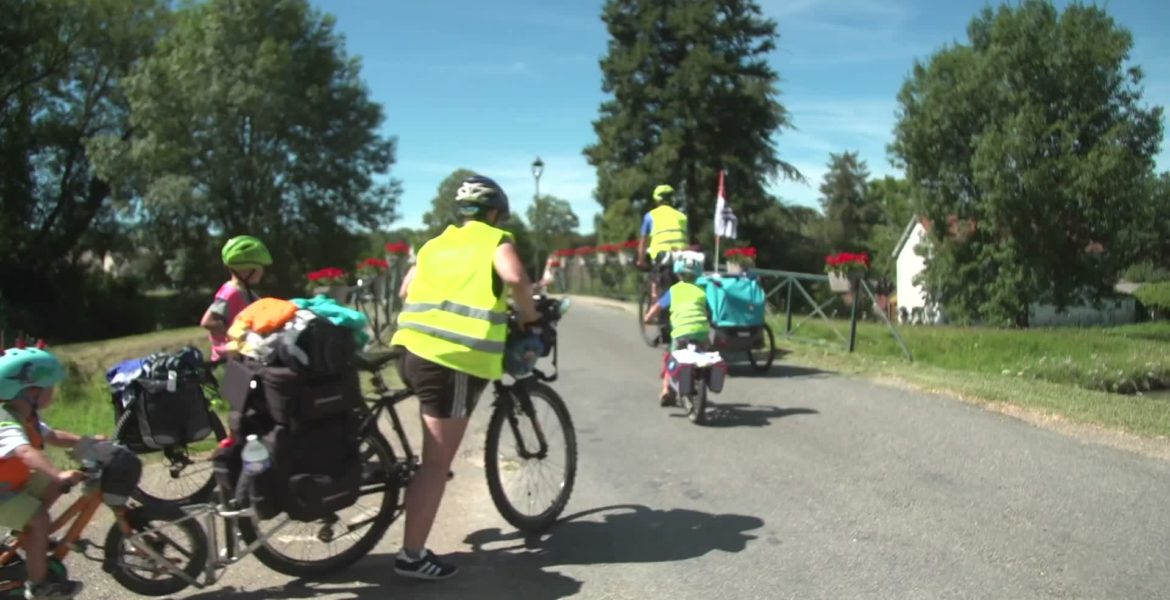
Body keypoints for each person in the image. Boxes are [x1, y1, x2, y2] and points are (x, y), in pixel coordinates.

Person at [390, 174, 539, 581]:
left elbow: (406, 291)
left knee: (432, 454)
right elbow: (514, 280)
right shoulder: (496, 240)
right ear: (495, 212)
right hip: (451, 360)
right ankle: (411, 557)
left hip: (411, 349)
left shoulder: (434, 244)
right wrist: (530, 317)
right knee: (436, 464)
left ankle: (420, 485)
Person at [0, 344, 92, 600]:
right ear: (30, 390)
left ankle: (28, 536)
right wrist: (58, 473)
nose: (53, 392)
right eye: (49, 387)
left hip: (11, 485)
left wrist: (87, 441)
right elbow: (25, 452)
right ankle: (39, 587)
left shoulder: (25, 414)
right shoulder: (5, 420)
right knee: (40, 518)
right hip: (1, 495)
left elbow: (53, 436)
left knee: (50, 484)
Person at [642, 251, 710, 406]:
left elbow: (657, 307)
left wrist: (647, 318)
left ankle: (667, 390)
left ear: (678, 275)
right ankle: (703, 373)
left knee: (670, 358)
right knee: (705, 351)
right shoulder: (702, 291)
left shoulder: (674, 291)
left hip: (680, 333)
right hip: (701, 332)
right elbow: (709, 311)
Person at [200, 235, 271, 362]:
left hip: (244, 356)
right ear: (245, 271)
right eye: (259, 268)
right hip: (228, 360)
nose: (262, 271)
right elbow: (208, 321)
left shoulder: (246, 291)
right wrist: (237, 336)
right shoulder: (231, 292)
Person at [636, 184, 690, 301]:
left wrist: (641, 260)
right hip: (682, 255)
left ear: (656, 200)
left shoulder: (650, 216)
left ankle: (655, 304)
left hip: (661, 256)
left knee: (655, 277)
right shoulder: (682, 216)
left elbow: (643, 242)